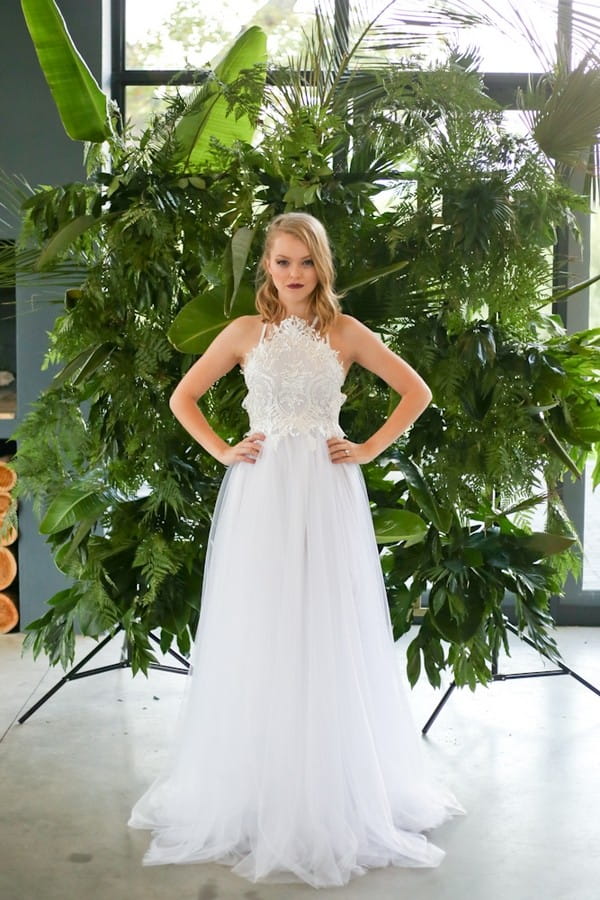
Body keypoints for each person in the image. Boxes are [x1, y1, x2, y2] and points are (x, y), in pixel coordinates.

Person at [128, 212, 463, 887]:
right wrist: (225, 448)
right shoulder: (244, 332)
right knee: (263, 624)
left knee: (325, 625)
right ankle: (259, 782)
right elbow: (183, 397)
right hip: (262, 493)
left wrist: (366, 447)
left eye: (304, 263)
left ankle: (332, 781)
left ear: (322, 267)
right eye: (281, 262)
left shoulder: (343, 332)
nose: (292, 275)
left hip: (325, 489)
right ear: (267, 269)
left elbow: (416, 391)